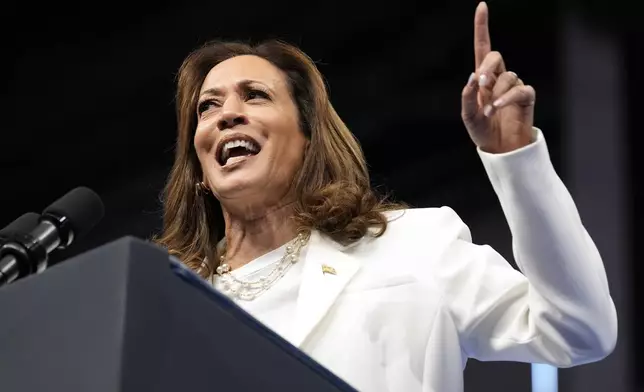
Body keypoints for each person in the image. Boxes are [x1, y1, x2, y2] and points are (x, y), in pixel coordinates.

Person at [155, 2, 617, 391]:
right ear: (199, 168)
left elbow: (578, 330)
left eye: (254, 96)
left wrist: (517, 161)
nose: (226, 115)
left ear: (308, 140)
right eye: (207, 107)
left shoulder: (413, 245)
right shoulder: (167, 303)